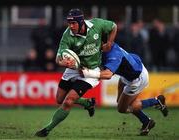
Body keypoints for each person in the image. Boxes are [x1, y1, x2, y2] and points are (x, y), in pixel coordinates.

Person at [35, 8, 117, 137]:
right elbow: (58, 58)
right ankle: (87, 103)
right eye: (69, 23)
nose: (71, 26)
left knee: (68, 101)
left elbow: (114, 26)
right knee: (59, 99)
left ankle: (46, 130)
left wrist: (109, 43)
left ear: (81, 22)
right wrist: (64, 63)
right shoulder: (67, 35)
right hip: (73, 69)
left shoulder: (97, 25)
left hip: (91, 71)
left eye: (73, 23)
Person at [82, 42, 168, 136]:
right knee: (119, 101)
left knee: (122, 108)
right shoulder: (107, 47)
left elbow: (108, 75)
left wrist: (87, 73)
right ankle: (147, 121)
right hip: (128, 73)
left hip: (136, 78)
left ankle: (155, 102)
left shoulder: (113, 54)